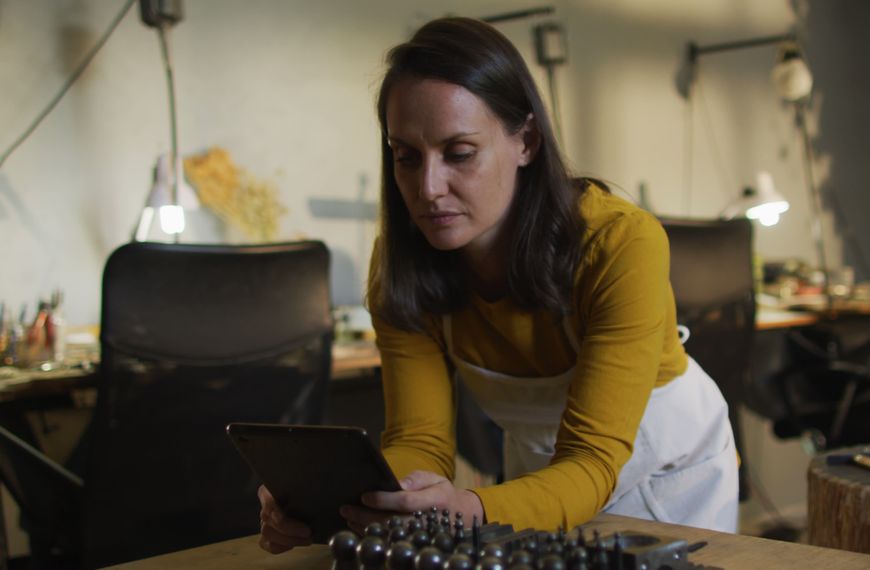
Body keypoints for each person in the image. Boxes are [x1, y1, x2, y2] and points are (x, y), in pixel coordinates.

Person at [257, 17, 738, 554]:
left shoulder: (620, 243)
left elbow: (593, 458)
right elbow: (420, 441)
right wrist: (355, 500)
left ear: (526, 141)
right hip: (536, 484)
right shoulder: (400, 267)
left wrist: (474, 508)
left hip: (666, 479)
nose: (428, 188)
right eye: (406, 157)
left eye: (459, 153)